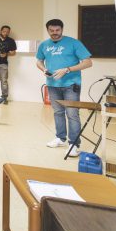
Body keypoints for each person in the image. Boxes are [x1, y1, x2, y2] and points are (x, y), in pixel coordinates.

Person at [36, 19, 93, 157]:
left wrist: (67, 69)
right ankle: (60, 138)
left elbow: (88, 62)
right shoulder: (44, 45)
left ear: (62, 29)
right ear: (48, 30)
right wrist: (43, 69)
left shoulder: (74, 43)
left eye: (57, 30)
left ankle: (74, 144)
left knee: (72, 114)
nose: (54, 33)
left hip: (71, 85)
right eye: (51, 31)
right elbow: (39, 61)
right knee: (58, 112)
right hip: (52, 85)